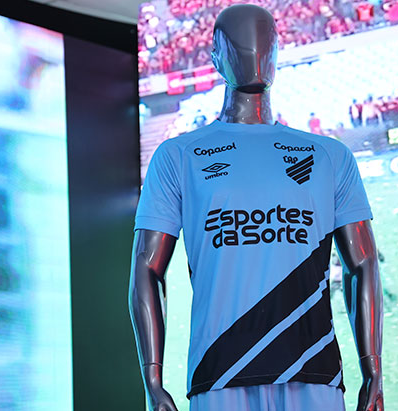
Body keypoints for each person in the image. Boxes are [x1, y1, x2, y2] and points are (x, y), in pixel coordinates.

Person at [130, 5, 383, 411]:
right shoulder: (179, 156)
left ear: (279, 52)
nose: (254, 54)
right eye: (237, 45)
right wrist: (153, 381)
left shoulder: (329, 156)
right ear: (215, 58)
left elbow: (364, 264)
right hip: (220, 374)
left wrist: (373, 371)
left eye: (265, 44)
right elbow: (147, 268)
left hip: (313, 372)